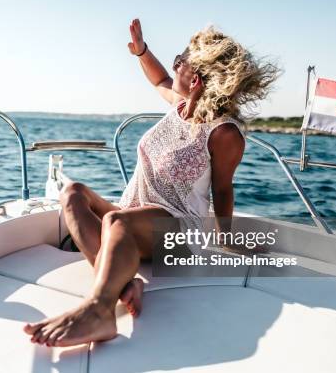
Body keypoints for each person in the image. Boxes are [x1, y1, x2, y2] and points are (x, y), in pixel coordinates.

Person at [24, 18, 280, 347]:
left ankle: (99, 310)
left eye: (180, 61)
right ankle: (124, 284)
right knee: (72, 193)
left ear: (198, 78)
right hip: (135, 218)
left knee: (115, 221)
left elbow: (222, 189)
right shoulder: (180, 106)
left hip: (178, 232)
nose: (175, 66)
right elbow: (158, 77)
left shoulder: (223, 133)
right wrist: (141, 51)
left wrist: (226, 239)